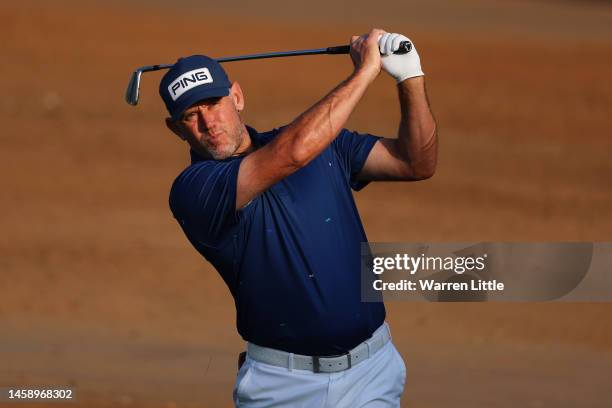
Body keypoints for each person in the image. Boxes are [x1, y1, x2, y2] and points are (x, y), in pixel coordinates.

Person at [159, 28, 437, 408]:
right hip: (282, 386)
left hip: (371, 373)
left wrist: (410, 77)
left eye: (214, 104)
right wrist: (365, 71)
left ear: (237, 97)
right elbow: (291, 155)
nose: (209, 123)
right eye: (191, 115)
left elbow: (416, 161)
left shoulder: (326, 147)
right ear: (176, 129)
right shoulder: (194, 190)